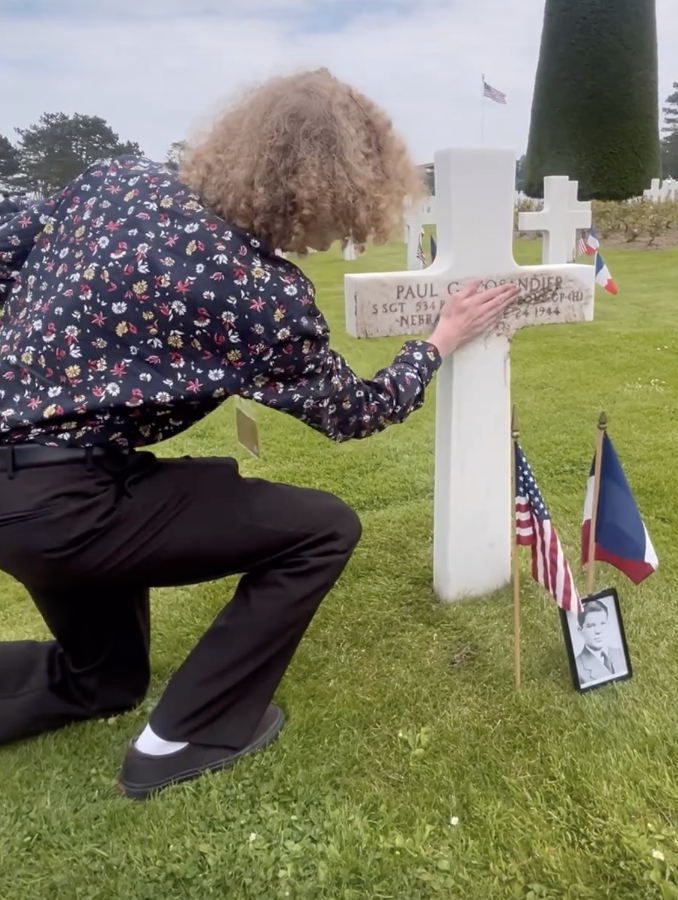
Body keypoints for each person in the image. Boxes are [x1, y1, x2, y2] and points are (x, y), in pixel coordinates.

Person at [0, 69, 518, 800]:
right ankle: (179, 738)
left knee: (104, 680)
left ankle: (106, 692)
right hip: (70, 509)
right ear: (334, 191)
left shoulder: (112, 181)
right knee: (322, 529)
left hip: (25, 495)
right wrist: (439, 339)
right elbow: (355, 413)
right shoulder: (259, 293)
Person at [575, 600, 626, 685]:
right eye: (591, 626)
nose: (598, 631)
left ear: (608, 625)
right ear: (580, 630)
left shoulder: (620, 653)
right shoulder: (578, 667)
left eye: (602, 624)